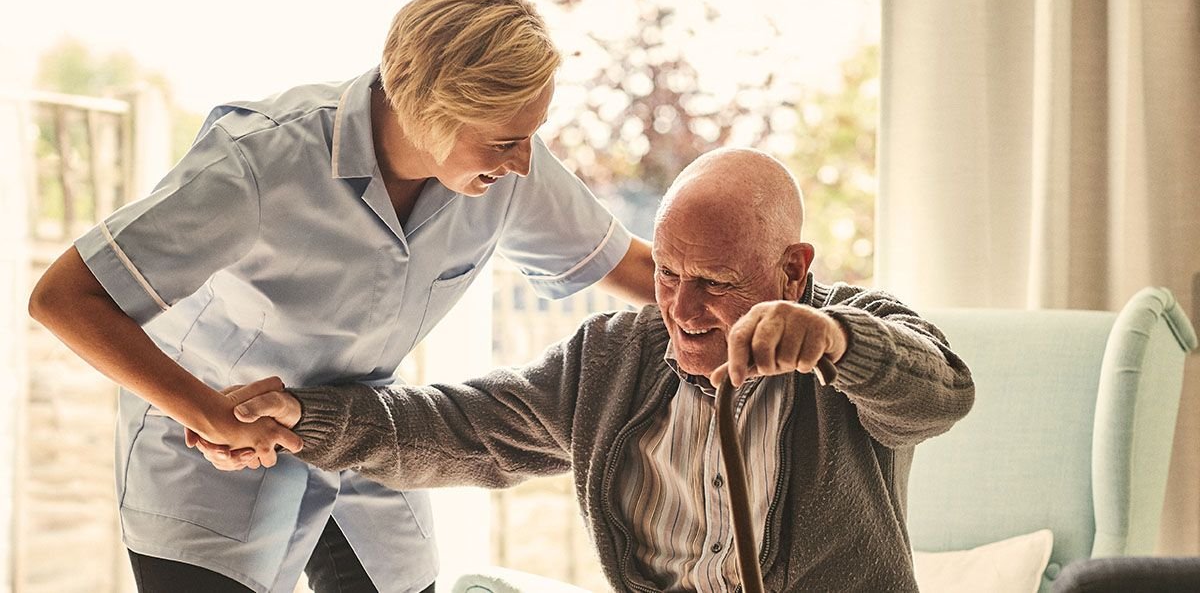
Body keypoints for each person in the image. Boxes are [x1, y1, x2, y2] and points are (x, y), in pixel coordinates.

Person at [27, 0, 655, 593]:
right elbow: (64, 297)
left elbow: (637, 268)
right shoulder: (259, 162)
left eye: (532, 135)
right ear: (432, 112)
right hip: (211, 450)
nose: (523, 160)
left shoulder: (506, 166)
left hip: (362, 440)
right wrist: (207, 413)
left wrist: (749, 315)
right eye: (506, 141)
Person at [210, 148, 976, 592]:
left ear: (792, 266)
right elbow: (463, 428)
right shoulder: (614, 358)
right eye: (669, 271)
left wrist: (837, 339)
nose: (682, 306)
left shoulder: (852, 333)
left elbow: (940, 394)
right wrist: (306, 418)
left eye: (716, 282)